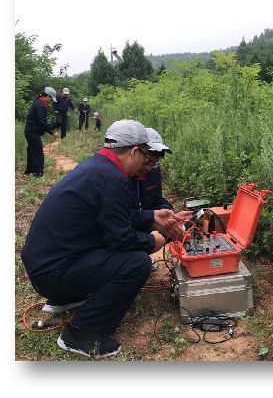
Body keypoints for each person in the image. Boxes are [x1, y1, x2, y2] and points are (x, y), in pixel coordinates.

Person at [21, 120, 185, 357]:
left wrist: (151, 215)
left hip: (46, 266)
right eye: (146, 155)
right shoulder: (113, 179)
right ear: (134, 151)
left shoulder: (98, 167)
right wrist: (154, 241)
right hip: (53, 273)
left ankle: (66, 298)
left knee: (123, 254)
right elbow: (121, 241)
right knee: (137, 262)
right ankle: (80, 334)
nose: (146, 163)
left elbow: (111, 215)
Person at [23, 87, 60, 177]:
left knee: (32, 151)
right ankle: (37, 175)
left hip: (31, 131)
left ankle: (29, 172)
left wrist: (52, 131)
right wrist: (52, 130)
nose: (51, 100)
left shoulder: (39, 103)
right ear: (47, 96)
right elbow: (42, 122)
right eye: (51, 98)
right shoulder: (40, 105)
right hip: (32, 132)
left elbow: (41, 122)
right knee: (38, 153)